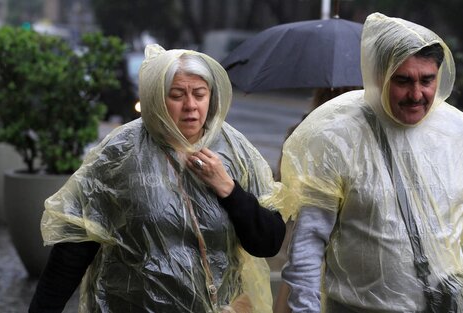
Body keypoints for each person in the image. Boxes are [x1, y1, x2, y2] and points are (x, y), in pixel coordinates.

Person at [28, 44, 286, 313]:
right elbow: (76, 243)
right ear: (157, 99)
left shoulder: (236, 151)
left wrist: (228, 189)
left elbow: (268, 242)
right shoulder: (122, 150)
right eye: (177, 95)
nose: (190, 106)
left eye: (200, 94)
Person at [278, 12, 463, 312]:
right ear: (379, 76)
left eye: (427, 80)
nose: (417, 94)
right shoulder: (338, 136)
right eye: (403, 80)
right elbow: (308, 243)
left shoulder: (459, 134)